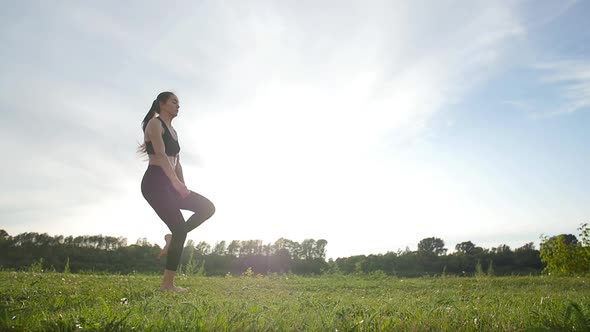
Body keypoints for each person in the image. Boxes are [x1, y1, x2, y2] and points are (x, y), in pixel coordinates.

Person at [139, 91, 215, 292]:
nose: (178, 105)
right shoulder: (155, 124)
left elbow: (177, 163)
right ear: (162, 103)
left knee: (207, 208)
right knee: (180, 229)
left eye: (178, 103)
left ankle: (172, 238)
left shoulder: (174, 131)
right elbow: (162, 156)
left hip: (171, 183)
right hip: (155, 183)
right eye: (174, 102)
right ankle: (167, 285)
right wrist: (175, 183)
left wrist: (183, 186)